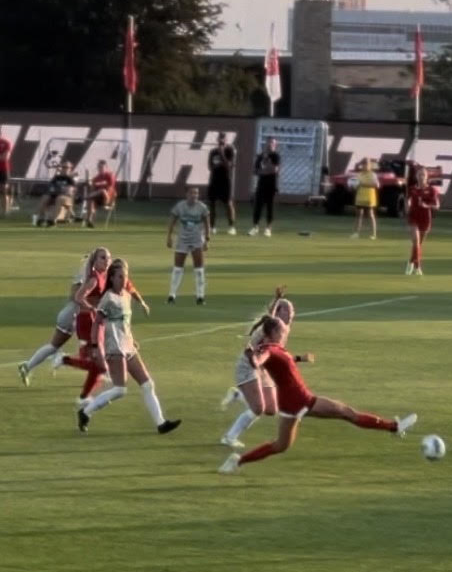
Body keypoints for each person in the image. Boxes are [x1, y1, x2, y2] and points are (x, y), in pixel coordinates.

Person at [218, 311, 414, 472]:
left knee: (280, 446)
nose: (285, 331)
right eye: (282, 329)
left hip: (290, 404)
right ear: (274, 332)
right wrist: (252, 358)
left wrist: (300, 358)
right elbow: (259, 361)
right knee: (347, 413)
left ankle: (237, 461)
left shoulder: (276, 347)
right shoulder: (269, 349)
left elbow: (276, 359)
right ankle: (393, 427)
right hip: (301, 400)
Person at [78, 258, 180, 434]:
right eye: (119, 277)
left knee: (148, 384)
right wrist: (95, 347)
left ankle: (161, 424)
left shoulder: (126, 296)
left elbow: (124, 323)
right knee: (120, 390)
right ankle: (86, 412)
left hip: (127, 345)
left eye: (125, 276)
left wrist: (130, 339)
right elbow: (97, 324)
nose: (123, 280)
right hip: (114, 347)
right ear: (112, 278)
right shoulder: (108, 299)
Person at [19, 247, 111, 384]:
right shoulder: (86, 276)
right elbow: (76, 296)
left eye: (108, 258)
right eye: (103, 258)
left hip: (78, 315)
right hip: (73, 316)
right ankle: (101, 372)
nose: (107, 261)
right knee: (63, 347)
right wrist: (90, 308)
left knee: (55, 347)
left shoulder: (96, 276)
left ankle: (28, 366)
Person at [218, 289, 295, 449]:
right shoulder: (268, 329)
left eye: (291, 310)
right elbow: (271, 315)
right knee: (258, 408)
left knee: (271, 409)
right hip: (249, 365)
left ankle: (238, 395)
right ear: (278, 314)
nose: (290, 312)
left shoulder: (285, 329)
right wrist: (276, 300)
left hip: (263, 369)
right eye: (286, 309)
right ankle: (229, 437)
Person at [166, 184, 211, 303]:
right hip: (182, 240)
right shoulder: (180, 207)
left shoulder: (202, 207)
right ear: (187, 194)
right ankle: (172, 295)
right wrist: (169, 237)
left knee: (199, 269)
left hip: (196, 240)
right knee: (177, 268)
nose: (194, 195)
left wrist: (207, 239)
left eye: (196, 193)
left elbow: (207, 224)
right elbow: (172, 221)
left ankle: (200, 296)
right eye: (191, 193)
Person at [404, 162, 441, 276]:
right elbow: (407, 200)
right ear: (416, 176)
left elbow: (437, 205)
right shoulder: (412, 189)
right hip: (413, 217)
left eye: (423, 175)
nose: (421, 177)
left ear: (427, 177)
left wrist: (426, 205)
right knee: (415, 241)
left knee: (419, 244)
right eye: (419, 175)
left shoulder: (432, 190)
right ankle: (418, 267)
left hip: (425, 218)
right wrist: (407, 206)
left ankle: (411, 262)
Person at [250, 136, 282, 238]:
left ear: (275, 145)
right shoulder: (260, 156)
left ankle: (268, 229)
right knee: (258, 206)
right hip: (261, 184)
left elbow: (275, 170)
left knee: (270, 206)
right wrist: (265, 171)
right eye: (268, 142)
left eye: (272, 143)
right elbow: (255, 171)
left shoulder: (276, 156)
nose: (270, 144)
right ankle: (255, 227)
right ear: (266, 144)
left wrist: (264, 170)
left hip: (271, 184)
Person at [207, 132, 237, 235]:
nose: (221, 140)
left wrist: (222, 153)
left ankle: (231, 227)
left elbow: (229, 166)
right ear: (217, 139)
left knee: (228, 204)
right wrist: (219, 164)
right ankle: (212, 227)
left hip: (225, 180)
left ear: (226, 140)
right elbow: (210, 167)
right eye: (220, 138)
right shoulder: (212, 152)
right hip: (214, 180)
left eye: (223, 138)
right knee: (212, 204)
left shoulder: (230, 150)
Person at [33, 159, 76, 226]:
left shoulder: (71, 178)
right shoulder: (57, 177)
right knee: (45, 197)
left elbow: (69, 191)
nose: (64, 169)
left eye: (66, 167)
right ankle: (40, 218)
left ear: (70, 168)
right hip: (54, 194)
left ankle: (53, 220)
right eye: (63, 167)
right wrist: (54, 190)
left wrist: (59, 190)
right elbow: (51, 186)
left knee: (59, 198)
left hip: (66, 197)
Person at [350, 158, 379, 241]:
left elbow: (376, 185)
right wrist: (353, 186)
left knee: (370, 215)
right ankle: (356, 233)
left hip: (369, 198)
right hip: (360, 197)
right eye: (363, 164)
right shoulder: (359, 175)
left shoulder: (372, 174)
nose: (364, 166)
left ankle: (373, 234)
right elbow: (356, 185)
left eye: (366, 164)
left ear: (369, 165)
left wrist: (362, 184)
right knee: (359, 215)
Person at [87, 159, 117, 228]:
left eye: (102, 167)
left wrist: (99, 184)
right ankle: (90, 221)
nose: (100, 169)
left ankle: (84, 197)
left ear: (106, 167)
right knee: (91, 201)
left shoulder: (110, 175)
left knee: (102, 190)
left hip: (108, 198)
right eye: (99, 167)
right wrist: (91, 185)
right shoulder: (96, 178)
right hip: (98, 199)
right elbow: (93, 189)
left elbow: (110, 186)